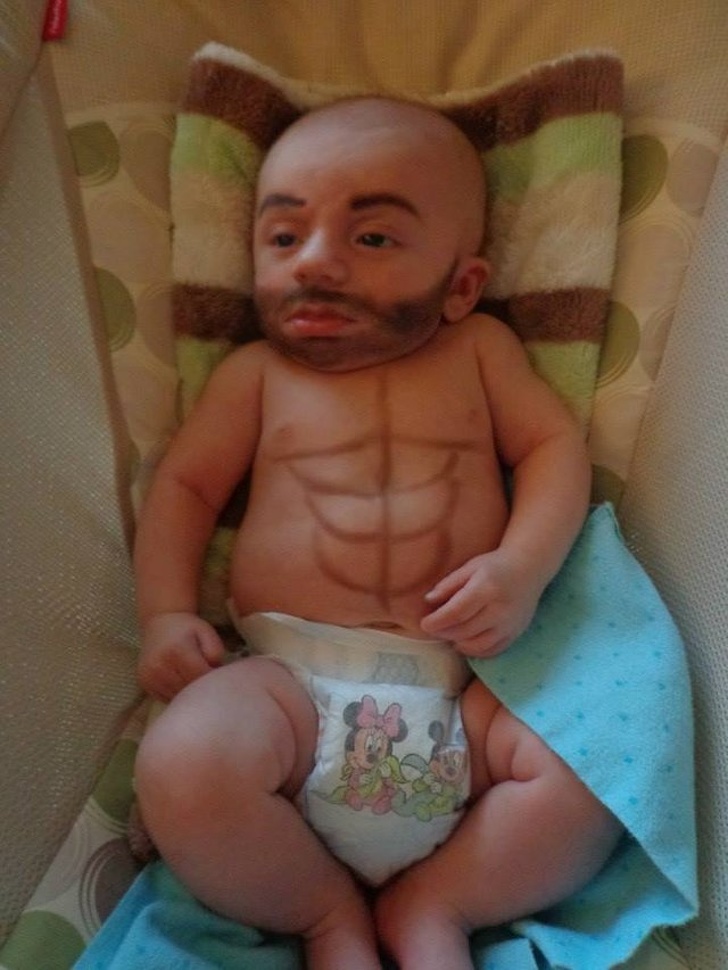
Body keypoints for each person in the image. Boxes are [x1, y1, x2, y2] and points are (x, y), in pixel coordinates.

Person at [133, 97, 622, 970]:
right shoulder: (254, 375)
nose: (315, 262)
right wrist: (165, 614)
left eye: (371, 238)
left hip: (461, 699)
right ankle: (326, 916)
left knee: (598, 768)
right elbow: (186, 487)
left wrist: (520, 570)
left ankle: (437, 905)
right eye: (284, 237)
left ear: (462, 286)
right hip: (287, 691)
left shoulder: (481, 352)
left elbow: (553, 449)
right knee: (184, 763)